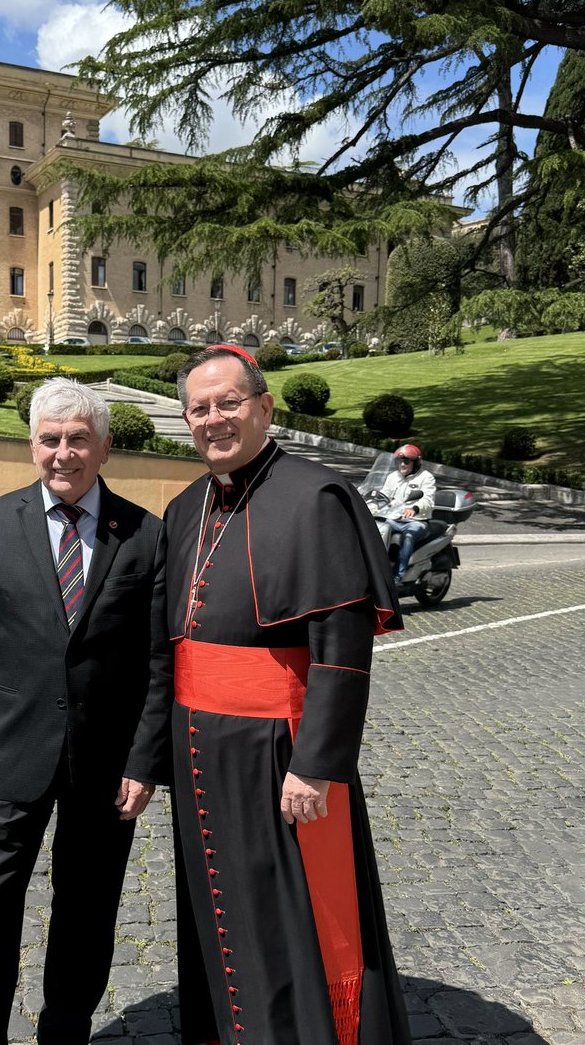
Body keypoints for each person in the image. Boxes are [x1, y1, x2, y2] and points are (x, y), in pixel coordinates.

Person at [166, 345, 410, 1045]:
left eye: (229, 403)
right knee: (221, 906)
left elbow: (343, 649)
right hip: (199, 750)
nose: (214, 419)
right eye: (200, 408)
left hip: (279, 752)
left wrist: (317, 762)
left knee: (295, 913)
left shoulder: (315, 497)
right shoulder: (185, 508)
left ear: (265, 408)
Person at [0, 377, 171, 1045]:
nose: (62, 454)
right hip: (7, 755)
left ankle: (65, 1031)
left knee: (88, 906)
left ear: (103, 447)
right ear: (31, 445)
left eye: (77, 440)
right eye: (50, 439)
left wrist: (144, 760)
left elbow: (159, 661)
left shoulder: (144, 535)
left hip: (105, 762)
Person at [380, 443, 437, 582]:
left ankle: (398, 575)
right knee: (375, 529)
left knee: (408, 536)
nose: (402, 464)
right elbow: (383, 494)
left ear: (416, 463)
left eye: (406, 461)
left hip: (417, 522)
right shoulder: (393, 477)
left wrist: (415, 508)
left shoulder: (426, 477)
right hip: (393, 518)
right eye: (399, 461)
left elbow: (428, 500)